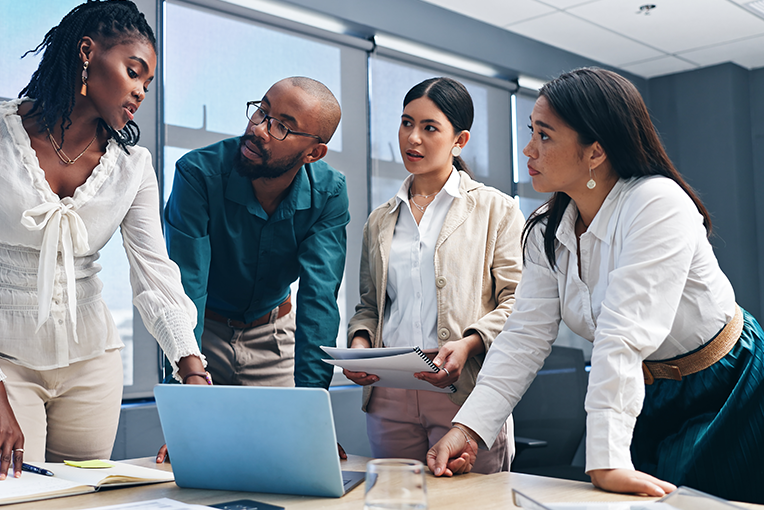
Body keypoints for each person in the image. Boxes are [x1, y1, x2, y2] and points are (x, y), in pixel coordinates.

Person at [427, 67, 764, 504]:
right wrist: (467, 428)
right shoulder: (546, 229)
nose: (528, 148)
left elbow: (622, 333)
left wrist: (606, 461)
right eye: (532, 131)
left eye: (544, 136)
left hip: (727, 386)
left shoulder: (657, 203)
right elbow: (523, 337)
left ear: (596, 152)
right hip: (646, 390)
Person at [0, 0, 208, 480]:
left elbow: (156, 276)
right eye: (133, 71)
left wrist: (194, 373)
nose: (141, 91)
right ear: (86, 53)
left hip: (93, 368)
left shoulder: (132, 166)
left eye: (148, 82)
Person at [344, 77, 522, 473]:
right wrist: (359, 344)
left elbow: (519, 303)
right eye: (407, 123)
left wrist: (470, 344)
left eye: (429, 128)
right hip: (389, 396)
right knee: (392, 502)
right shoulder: (380, 220)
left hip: (464, 395)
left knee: (472, 502)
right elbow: (370, 306)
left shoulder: (497, 209)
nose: (413, 138)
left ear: (459, 140)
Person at [161, 76, 348, 391]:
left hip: (274, 335)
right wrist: (187, 373)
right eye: (262, 111)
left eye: (282, 127)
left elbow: (319, 295)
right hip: (203, 331)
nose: (258, 128)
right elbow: (186, 284)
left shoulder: (329, 192)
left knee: (294, 436)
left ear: (313, 153)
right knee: (194, 437)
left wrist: (312, 401)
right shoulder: (198, 174)